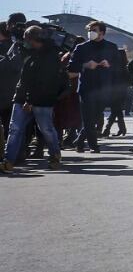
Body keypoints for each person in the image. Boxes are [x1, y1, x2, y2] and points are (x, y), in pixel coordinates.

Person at [2, 26, 71, 173]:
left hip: (41, 101)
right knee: (15, 130)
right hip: (22, 98)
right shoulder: (28, 52)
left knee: (46, 129)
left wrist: (30, 101)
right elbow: (24, 76)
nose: (24, 41)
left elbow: (44, 82)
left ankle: (55, 154)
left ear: (35, 40)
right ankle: (8, 161)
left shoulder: (50, 56)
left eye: (27, 38)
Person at [67, 19, 123, 154]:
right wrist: (85, 65)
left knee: (95, 117)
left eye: (94, 31)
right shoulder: (81, 48)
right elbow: (72, 67)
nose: (90, 33)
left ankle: (79, 141)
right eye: (89, 31)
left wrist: (109, 65)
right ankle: (93, 145)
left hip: (104, 88)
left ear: (102, 33)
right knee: (87, 116)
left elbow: (120, 67)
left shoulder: (111, 47)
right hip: (87, 87)